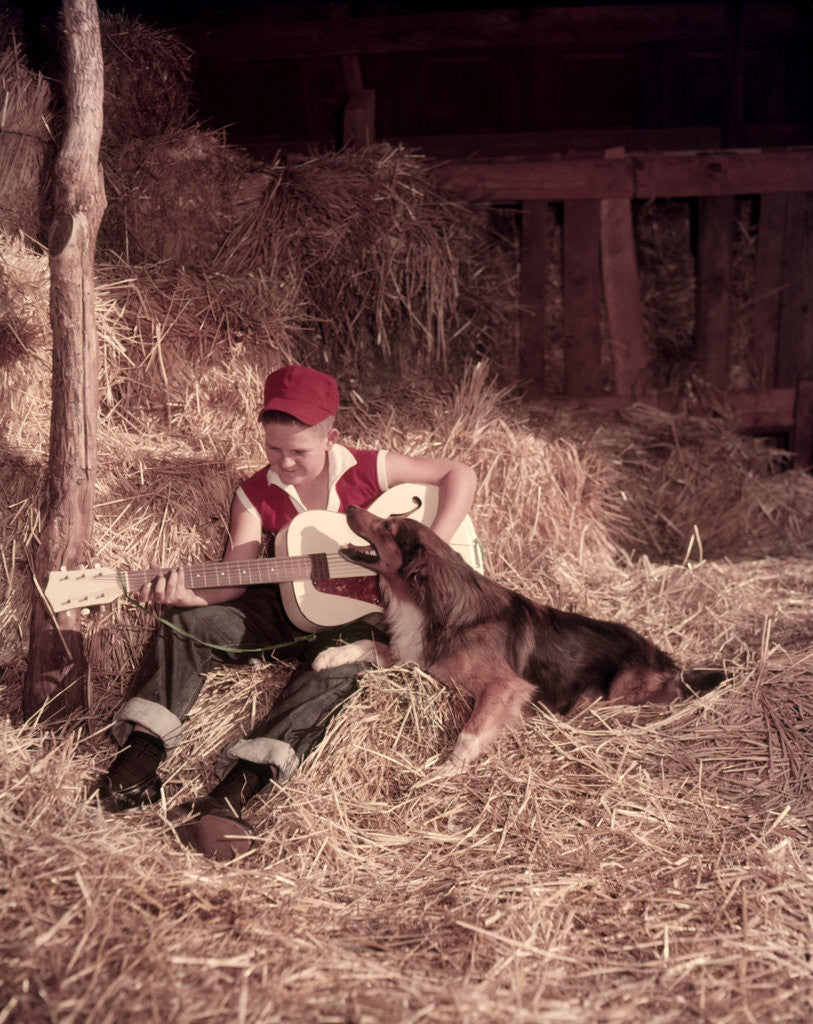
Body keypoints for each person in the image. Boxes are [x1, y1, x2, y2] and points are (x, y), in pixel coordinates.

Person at [94, 365, 477, 861]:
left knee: (337, 669)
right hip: (284, 607)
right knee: (186, 623)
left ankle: (232, 793)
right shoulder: (254, 494)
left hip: (362, 619)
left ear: (331, 438)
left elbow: (459, 473)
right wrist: (190, 597)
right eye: (274, 449)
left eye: (299, 451)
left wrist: (430, 548)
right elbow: (235, 575)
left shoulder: (367, 467)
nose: (286, 462)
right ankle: (138, 763)